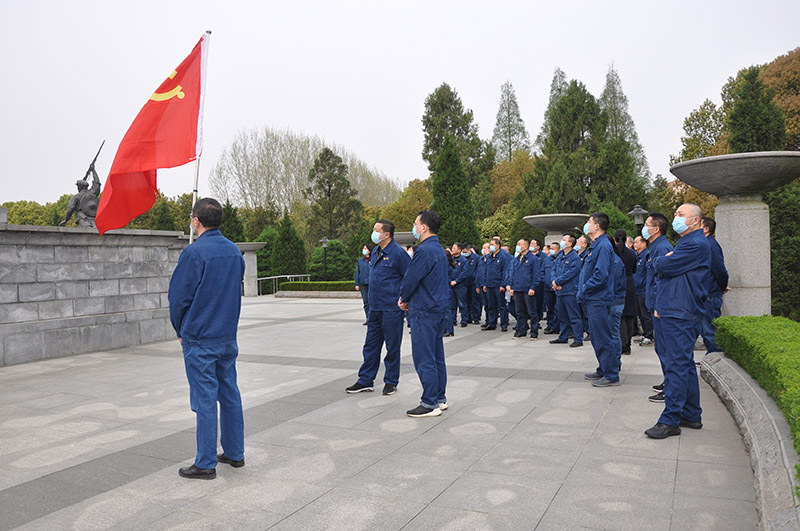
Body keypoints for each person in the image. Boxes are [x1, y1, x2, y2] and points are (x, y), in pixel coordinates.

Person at [168, 198, 245, 480]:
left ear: (196, 220)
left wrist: (180, 328)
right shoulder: (234, 252)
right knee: (229, 394)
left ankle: (205, 462)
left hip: (200, 337)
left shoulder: (194, 254)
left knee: (204, 400)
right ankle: (235, 453)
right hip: (226, 335)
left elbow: (178, 298)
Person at [645, 203, 710, 439]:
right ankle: (691, 413)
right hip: (675, 308)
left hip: (681, 311)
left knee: (676, 365)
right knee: (683, 363)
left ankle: (670, 419)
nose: (676, 218)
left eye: (681, 215)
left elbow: (663, 265)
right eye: (676, 214)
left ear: (695, 221)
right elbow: (667, 271)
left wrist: (665, 262)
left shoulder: (694, 243)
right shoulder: (686, 242)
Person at [346, 219, 411, 396]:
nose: (373, 233)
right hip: (375, 308)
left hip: (391, 308)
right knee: (370, 346)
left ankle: (391, 381)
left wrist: (404, 299)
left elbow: (409, 278)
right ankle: (365, 380)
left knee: (392, 346)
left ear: (386, 234)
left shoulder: (398, 253)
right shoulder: (376, 251)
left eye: (376, 230)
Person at [399, 210, 449, 418]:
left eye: (415, 223)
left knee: (424, 357)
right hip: (437, 308)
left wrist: (403, 298)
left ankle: (429, 403)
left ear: (424, 227)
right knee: (436, 356)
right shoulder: (437, 248)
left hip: (424, 310)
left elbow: (411, 278)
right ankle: (439, 397)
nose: (414, 226)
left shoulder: (424, 250)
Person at [578, 213, 618, 387]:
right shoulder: (596, 245)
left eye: (589, 222)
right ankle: (603, 369)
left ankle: (611, 374)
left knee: (603, 337)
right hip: (593, 298)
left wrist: (585, 287)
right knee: (597, 336)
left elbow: (601, 275)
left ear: (596, 226)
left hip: (598, 298)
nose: (587, 225)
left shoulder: (602, 246)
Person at [643, 212, 674, 402]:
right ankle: (668, 381)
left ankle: (670, 387)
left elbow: (662, 280)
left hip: (660, 306)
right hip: (655, 304)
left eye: (647, 225)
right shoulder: (655, 247)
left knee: (665, 349)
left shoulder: (662, 247)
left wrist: (658, 305)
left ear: (656, 229)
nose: (644, 228)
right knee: (661, 348)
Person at [699, 217, 729, 355]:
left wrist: (721, 286)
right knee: (705, 330)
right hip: (706, 292)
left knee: (709, 330)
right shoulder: (704, 243)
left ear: (706, 229)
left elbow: (719, 270)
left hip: (710, 293)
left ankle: (715, 357)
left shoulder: (711, 245)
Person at [550, 235, 583, 347]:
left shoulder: (574, 257)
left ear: (570, 243)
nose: (562, 242)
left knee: (574, 315)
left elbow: (572, 272)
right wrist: (554, 281)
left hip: (570, 290)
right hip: (559, 291)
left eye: (564, 240)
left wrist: (559, 282)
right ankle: (563, 337)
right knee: (562, 315)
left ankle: (578, 338)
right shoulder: (560, 255)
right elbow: (553, 269)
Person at [507, 238, 542, 340]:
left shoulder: (532, 259)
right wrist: (512, 287)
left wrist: (533, 287)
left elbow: (536, 275)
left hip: (528, 289)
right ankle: (521, 331)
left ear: (526, 246)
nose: (517, 246)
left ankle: (534, 332)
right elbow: (513, 274)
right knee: (519, 311)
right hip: (517, 289)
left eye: (519, 244)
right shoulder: (517, 259)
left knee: (532, 311)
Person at [614, 229, 638, 355]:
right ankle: (627, 343)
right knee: (629, 315)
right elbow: (634, 269)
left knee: (621, 315)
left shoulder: (614, 252)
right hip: (629, 282)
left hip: (618, 282)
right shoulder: (632, 253)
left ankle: (623, 343)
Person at [482, 237, 512, 332]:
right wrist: (485, 283)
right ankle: (492, 323)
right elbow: (486, 270)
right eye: (490, 245)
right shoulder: (490, 257)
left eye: (493, 245)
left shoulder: (502, 257)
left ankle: (504, 324)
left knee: (501, 305)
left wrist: (503, 285)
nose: (491, 247)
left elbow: (505, 271)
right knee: (491, 305)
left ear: (498, 246)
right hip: (490, 284)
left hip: (498, 284)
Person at [632, 236, 653, 346]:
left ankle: (649, 336)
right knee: (640, 314)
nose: (634, 244)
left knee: (645, 314)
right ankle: (645, 333)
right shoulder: (638, 256)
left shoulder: (646, 255)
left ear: (644, 244)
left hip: (643, 290)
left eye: (636, 242)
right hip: (637, 289)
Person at [450, 243, 470, 328]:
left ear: (459, 250)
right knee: (452, 304)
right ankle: (453, 320)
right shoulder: (451, 259)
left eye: (454, 248)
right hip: (451, 285)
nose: (452, 249)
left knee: (462, 303)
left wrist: (457, 281)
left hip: (460, 285)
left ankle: (464, 320)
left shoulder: (463, 260)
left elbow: (464, 273)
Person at [542, 242, 559, 334]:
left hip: (558, 288)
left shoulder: (560, 259)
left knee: (558, 308)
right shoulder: (547, 259)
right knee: (550, 308)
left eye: (553, 248)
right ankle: (550, 325)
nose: (551, 250)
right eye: (550, 248)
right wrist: (544, 281)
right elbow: (542, 271)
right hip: (547, 288)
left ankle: (557, 326)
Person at [354, 244, 374, 325]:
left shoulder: (374, 259)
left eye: (365, 248)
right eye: (363, 248)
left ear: (369, 250)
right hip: (363, 284)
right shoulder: (360, 260)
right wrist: (357, 284)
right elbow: (357, 273)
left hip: (372, 284)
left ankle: (373, 319)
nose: (364, 250)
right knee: (366, 302)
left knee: (372, 302)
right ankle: (368, 318)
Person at [464, 245, 481, 324]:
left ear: (469, 250)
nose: (464, 253)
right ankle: (468, 317)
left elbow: (478, 270)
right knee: (467, 300)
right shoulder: (463, 258)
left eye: (465, 252)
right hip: (465, 282)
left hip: (474, 282)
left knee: (475, 301)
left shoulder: (476, 258)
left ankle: (476, 317)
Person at [444, 248, 456, 337]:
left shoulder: (447, 267)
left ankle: (449, 329)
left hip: (446, 288)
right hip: (445, 288)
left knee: (447, 310)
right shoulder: (448, 266)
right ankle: (447, 329)